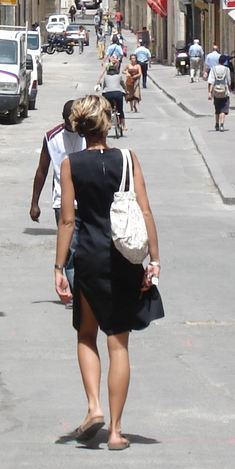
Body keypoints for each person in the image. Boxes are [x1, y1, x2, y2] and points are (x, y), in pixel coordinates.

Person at [55, 96, 163, 450]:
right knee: (119, 344)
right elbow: (145, 213)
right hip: (124, 259)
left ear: (79, 126)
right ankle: (116, 432)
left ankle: (94, 407)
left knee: (87, 335)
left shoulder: (71, 165)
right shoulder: (129, 159)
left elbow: (68, 221)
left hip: (90, 257)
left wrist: (59, 267)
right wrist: (154, 261)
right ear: (108, 123)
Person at [30, 100, 86, 295]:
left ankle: (84, 292)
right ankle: (80, 295)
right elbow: (42, 170)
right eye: (69, 120)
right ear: (63, 118)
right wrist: (34, 203)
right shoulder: (51, 137)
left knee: (84, 250)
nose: (73, 124)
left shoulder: (89, 134)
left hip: (88, 201)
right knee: (70, 250)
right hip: (62, 202)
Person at [97, 60, 128, 132]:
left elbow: (104, 86)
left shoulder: (105, 77)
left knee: (108, 110)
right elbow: (123, 85)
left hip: (108, 94)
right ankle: (124, 126)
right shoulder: (119, 76)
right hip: (118, 93)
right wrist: (126, 91)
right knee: (120, 110)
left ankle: (108, 125)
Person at [207, 53, 233, 132]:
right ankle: (222, 124)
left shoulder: (213, 69)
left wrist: (209, 92)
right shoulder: (226, 69)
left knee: (217, 109)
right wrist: (230, 89)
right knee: (223, 109)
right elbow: (229, 81)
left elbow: (211, 82)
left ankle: (216, 124)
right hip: (224, 92)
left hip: (216, 92)